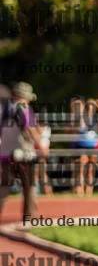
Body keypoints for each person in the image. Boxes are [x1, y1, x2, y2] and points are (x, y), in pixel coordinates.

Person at [0, 83, 49, 223]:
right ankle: (29, 218)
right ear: (25, 97)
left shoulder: (5, 109)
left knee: (3, 188)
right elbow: (30, 129)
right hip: (24, 154)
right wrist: (41, 145)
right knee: (29, 187)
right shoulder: (24, 108)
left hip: (5, 155)